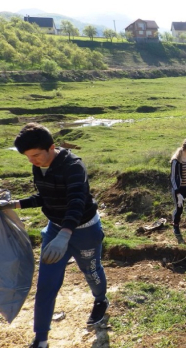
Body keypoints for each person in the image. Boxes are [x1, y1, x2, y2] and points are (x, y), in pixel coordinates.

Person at [0, 123, 107, 348]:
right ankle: (41, 338)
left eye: (36, 155)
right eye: (28, 157)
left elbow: (76, 201)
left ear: (51, 147)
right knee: (46, 283)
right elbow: (45, 196)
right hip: (56, 229)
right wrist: (14, 204)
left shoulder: (74, 166)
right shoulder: (38, 166)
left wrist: (66, 234)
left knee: (91, 270)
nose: (32, 161)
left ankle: (100, 299)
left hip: (85, 230)